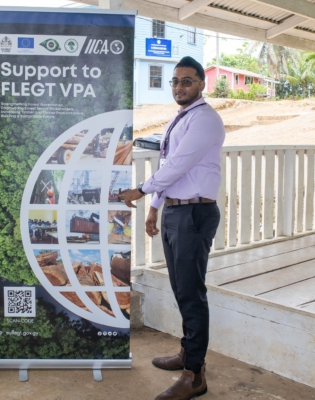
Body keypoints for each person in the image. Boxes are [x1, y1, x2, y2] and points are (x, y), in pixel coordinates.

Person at [119, 56, 225, 400]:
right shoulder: (181, 118)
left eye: (187, 81)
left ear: (201, 84)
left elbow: (179, 164)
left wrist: (141, 190)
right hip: (177, 211)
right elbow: (169, 164)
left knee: (191, 293)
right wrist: (154, 207)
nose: (180, 86)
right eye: (175, 81)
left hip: (194, 213)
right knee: (181, 289)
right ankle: (187, 352)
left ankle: (195, 375)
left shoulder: (205, 119)